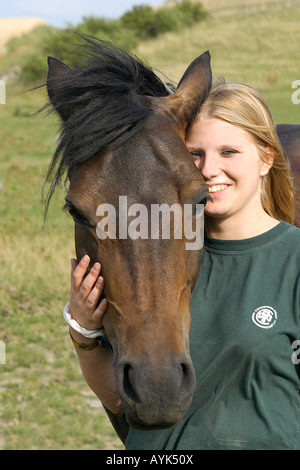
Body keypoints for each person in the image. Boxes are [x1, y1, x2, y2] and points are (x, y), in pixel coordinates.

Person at [65, 82, 300, 450]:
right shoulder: (157, 259)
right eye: (194, 154)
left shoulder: (292, 260)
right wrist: (84, 331)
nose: (209, 169)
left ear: (267, 159)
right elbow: (119, 401)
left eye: (229, 152)